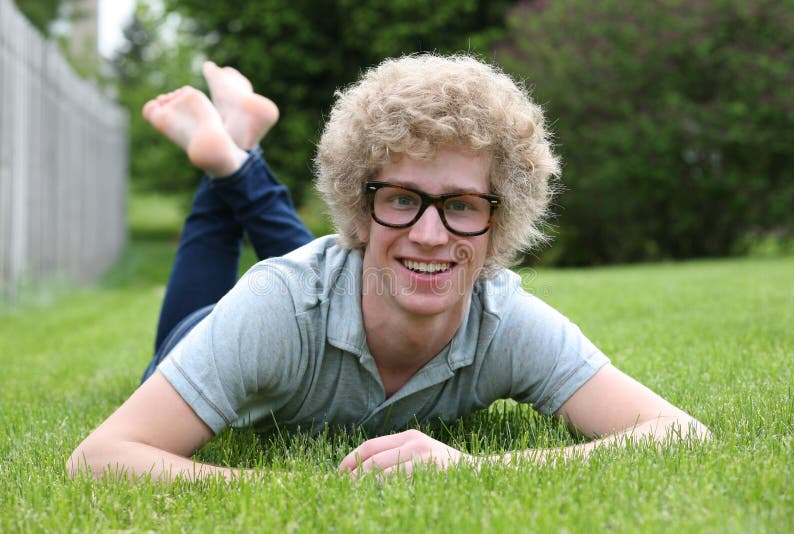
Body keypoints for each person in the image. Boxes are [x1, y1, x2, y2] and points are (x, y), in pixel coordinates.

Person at [67, 54, 709, 481]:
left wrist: (471, 469)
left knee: (373, 269)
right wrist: (299, 493)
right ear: (358, 204)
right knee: (245, 307)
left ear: (499, 220)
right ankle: (230, 161)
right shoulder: (273, 307)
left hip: (330, 287)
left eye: (461, 205)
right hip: (225, 326)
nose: (431, 234)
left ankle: (235, 153)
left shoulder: (504, 319)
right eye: (401, 198)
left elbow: (680, 436)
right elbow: (98, 458)